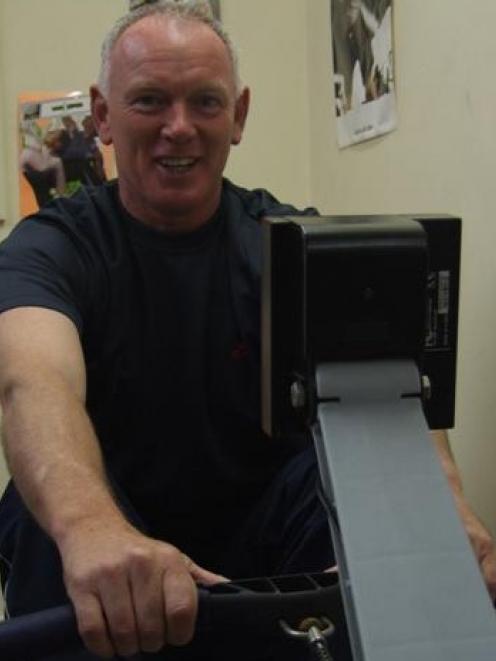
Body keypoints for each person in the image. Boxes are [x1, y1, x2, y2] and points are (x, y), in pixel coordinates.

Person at [0, 2, 494, 660]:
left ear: (239, 115)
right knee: (39, 507)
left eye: (205, 102)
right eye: (150, 100)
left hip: (269, 551)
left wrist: (447, 508)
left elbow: (390, 377)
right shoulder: (51, 246)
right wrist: (90, 528)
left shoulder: (294, 243)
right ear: (101, 117)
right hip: (116, 547)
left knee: (344, 471)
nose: (180, 128)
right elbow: (31, 381)